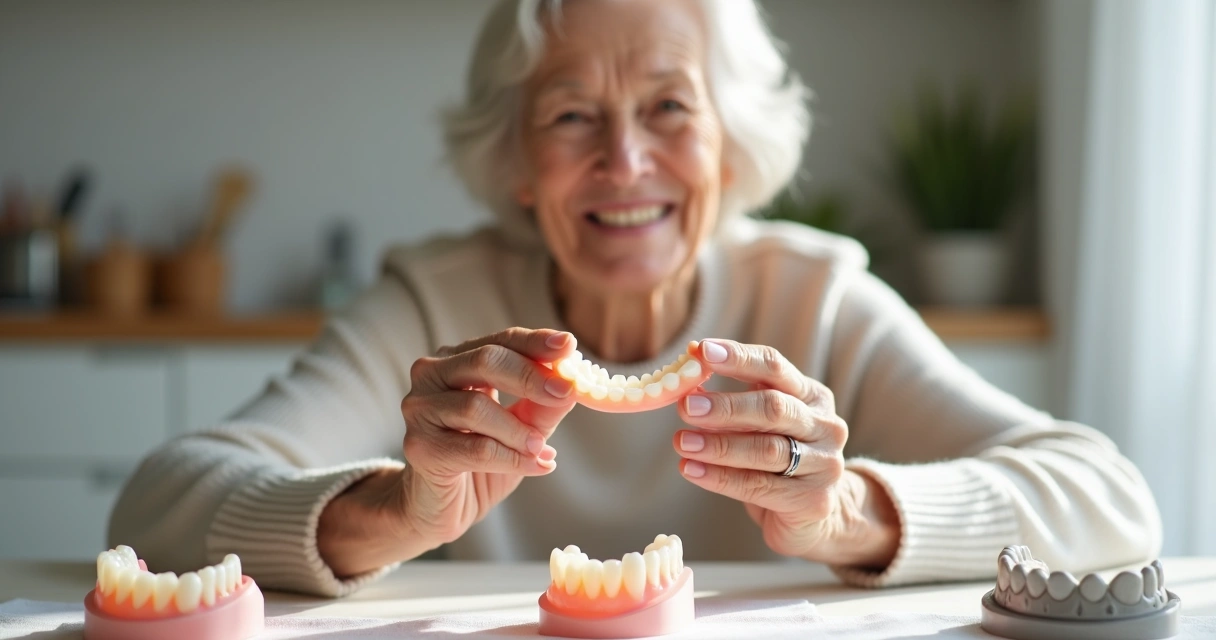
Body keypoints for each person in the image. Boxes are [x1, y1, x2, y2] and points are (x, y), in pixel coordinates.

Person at [110, 0, 1161, 597]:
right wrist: (394, 509)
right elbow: (157, 501)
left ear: (729, 145)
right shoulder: (433, 305)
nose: (624, 161)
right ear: (516, 162)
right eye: (572, 116)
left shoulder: (816, 297)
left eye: (668, 108)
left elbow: (1109, 497)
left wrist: (845, 513)